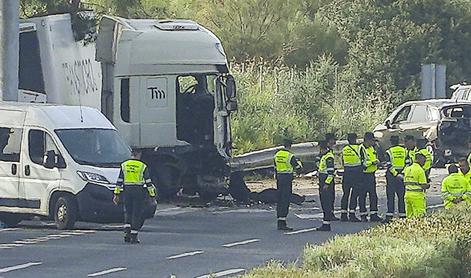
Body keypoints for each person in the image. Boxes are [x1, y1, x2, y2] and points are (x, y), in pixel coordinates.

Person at [113, 150, 156, 244]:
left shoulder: (124, 165)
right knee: (136, 213)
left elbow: (119, 181)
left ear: (131, 154)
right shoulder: (142, 166)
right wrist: (152, 195)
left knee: (128, 212)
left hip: (127, 190)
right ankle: (134, 236)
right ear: (139, 154)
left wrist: (116, 194)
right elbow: (148, 182)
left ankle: (126, 234)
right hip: (138, 191)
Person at [274, 139, 303, 231]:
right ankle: (283, 222)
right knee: (285, 199)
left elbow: (275, 166)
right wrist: (299, 164)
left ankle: (279, 221)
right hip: (287, 179)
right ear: (290, 146)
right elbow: (298, 168)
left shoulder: (277, 155)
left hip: (279, 179)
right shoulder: (290, 156)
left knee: (280, 199)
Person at [358, 132, 382, 222]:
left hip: (371, 174)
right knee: (362, 195)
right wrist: (372, 162)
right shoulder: (361, 149)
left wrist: (377, 162)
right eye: (372, 141)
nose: (374, 142)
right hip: (363, 175)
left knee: (373, 195)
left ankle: (373, 214)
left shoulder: (372, 148)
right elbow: (362, 163)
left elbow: (374, 157)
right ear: (367, 140)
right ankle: (363, 215)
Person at [384, 135, 407, 222]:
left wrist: (395, 174)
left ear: (391, 142)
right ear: (399, 141)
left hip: (391, 176)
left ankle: (390, 215)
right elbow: (407, 162)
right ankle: (402, 215)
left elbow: (389, 165)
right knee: (401, 196)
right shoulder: (404, 151)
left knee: (390, 196)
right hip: (402, 175)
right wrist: (402, 174)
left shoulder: (389, 151)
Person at [340, 133, 362, 222]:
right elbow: (363, 160)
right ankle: (352, 214)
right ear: (355, 139)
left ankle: (343, 214)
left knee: (345, 194)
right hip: (356, 173)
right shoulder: (359, 148)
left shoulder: (344, 149)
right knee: (354, 194)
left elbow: (342, 161)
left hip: (347, 172)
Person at [316, 140, 335, 231]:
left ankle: (327, 224)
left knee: (326, 203)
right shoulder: (324, 156)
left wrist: (327, 184)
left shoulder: (328, 157)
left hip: (326, 183)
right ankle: (325, 223)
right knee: (324, 203)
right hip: (322, 181)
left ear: (322, 148)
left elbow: (331, 173)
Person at [403, 153, 430, 218]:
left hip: (407, 195)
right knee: (419, 217)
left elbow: (404, 182)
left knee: (409, 217)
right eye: (424, 161)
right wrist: (428, 185)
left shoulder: (407, 169)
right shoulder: (420, 170)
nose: (424, 163)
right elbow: (423, 185)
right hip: (417, 197)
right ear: (420, 159)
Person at [324, 133, 339, 221]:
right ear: (329, 140)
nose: (335, 141)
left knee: (331, 196)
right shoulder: (326, 150)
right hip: (327, 176)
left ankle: (331, 213)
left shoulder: (330, 150)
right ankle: (329, 214)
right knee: (328, 196)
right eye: (333, 139)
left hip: (330, 175)